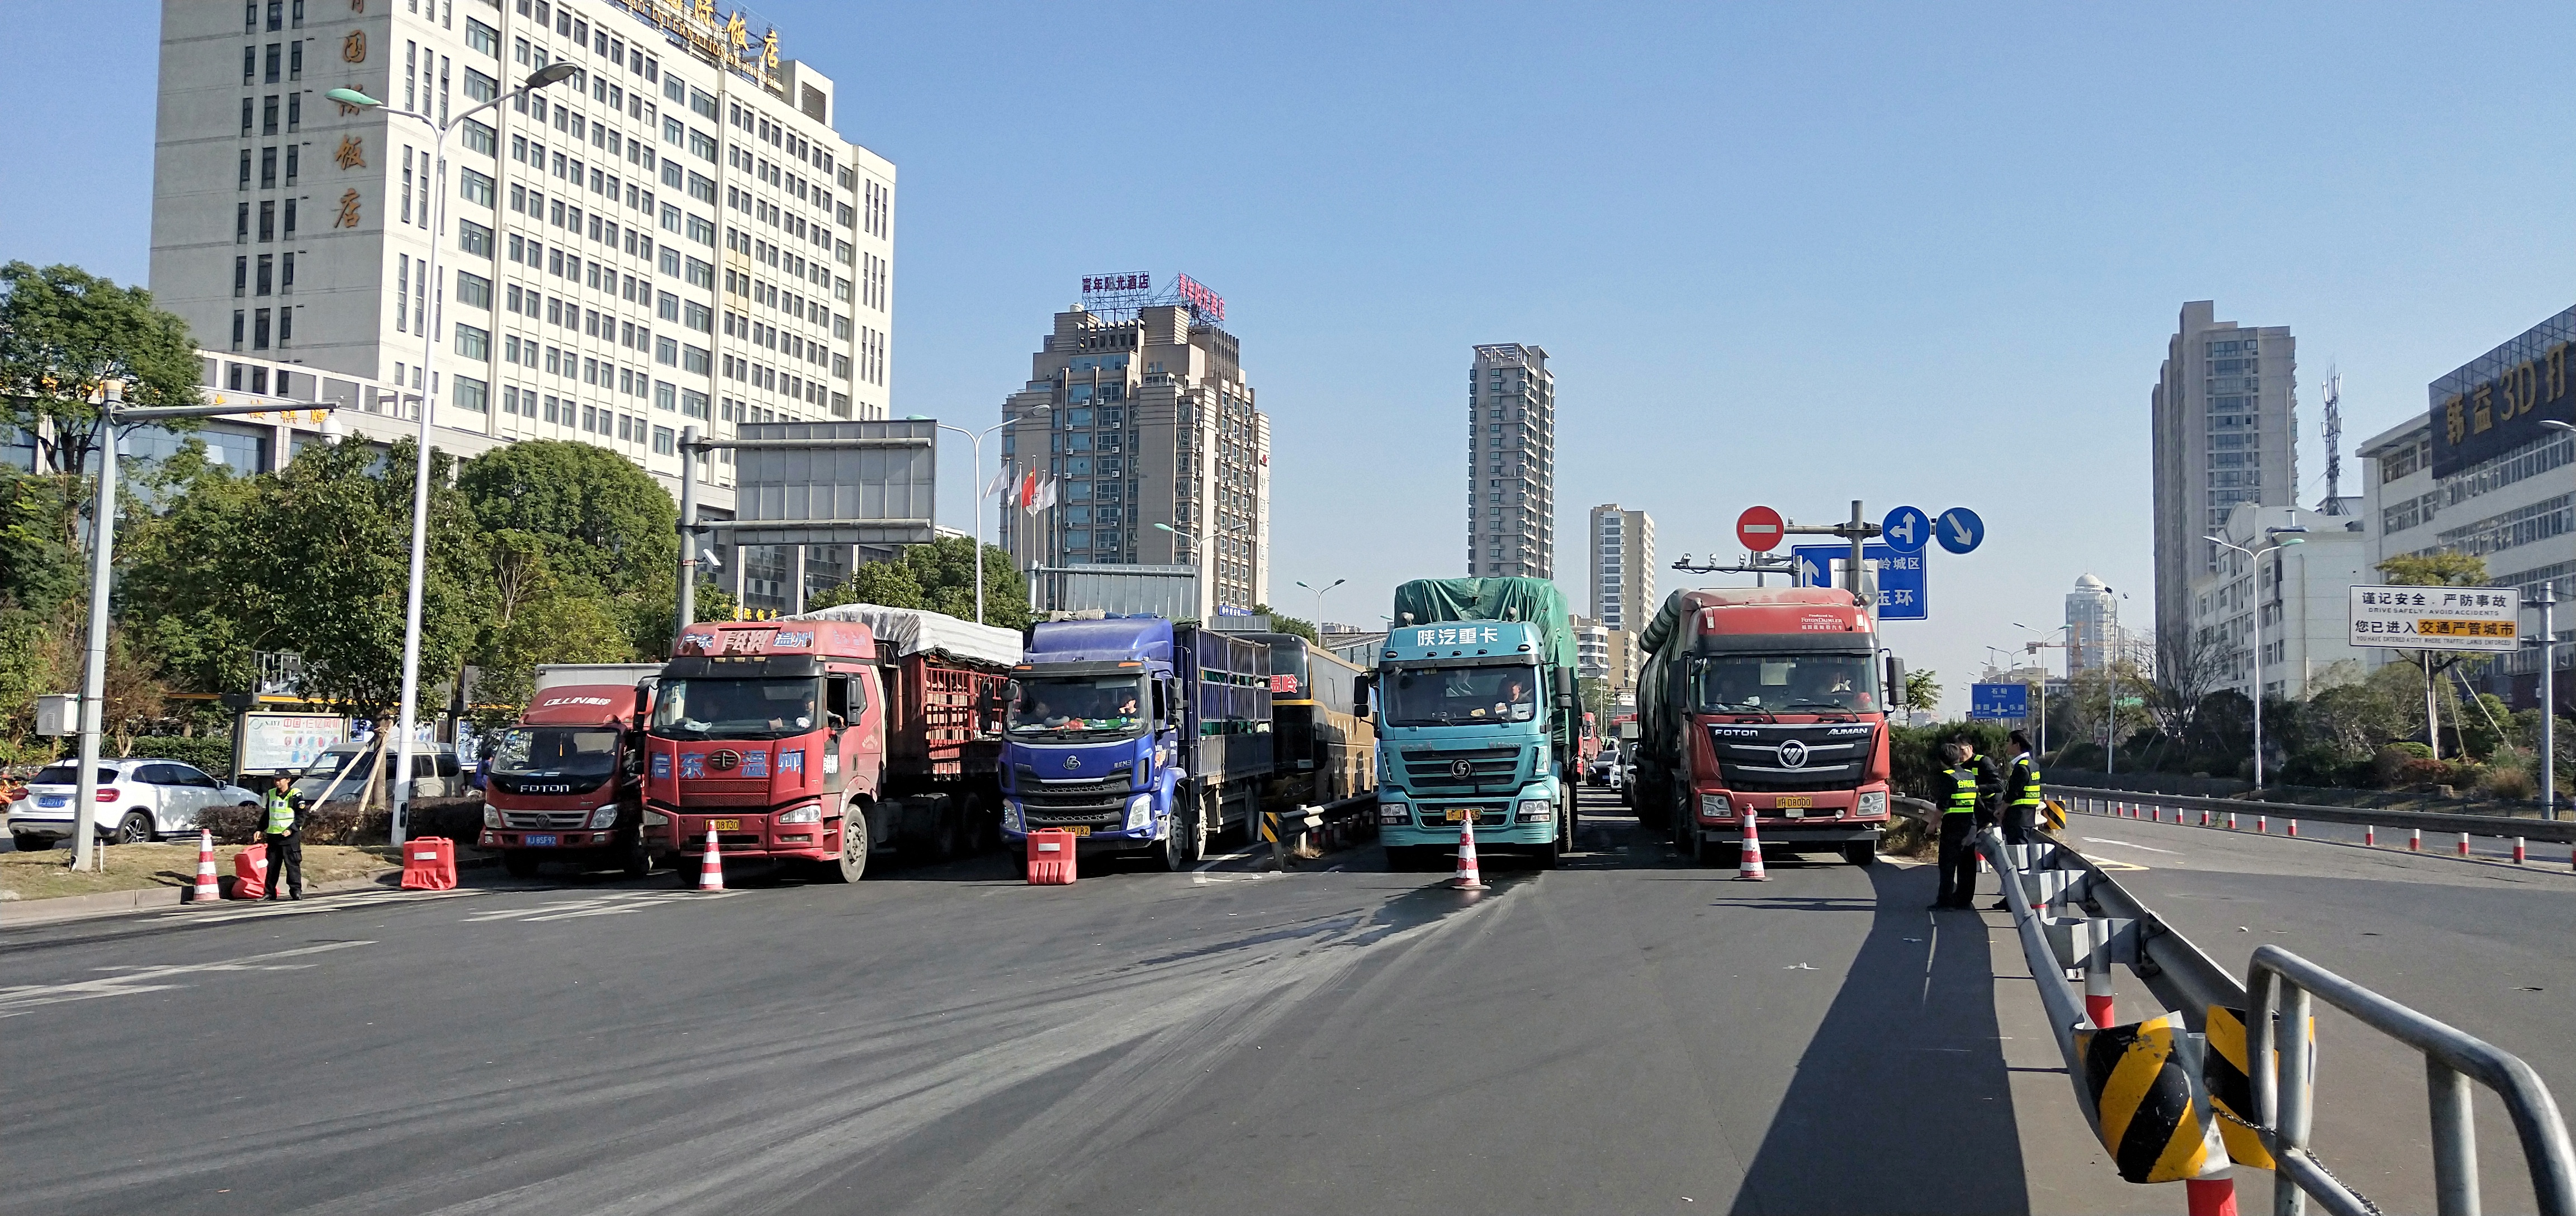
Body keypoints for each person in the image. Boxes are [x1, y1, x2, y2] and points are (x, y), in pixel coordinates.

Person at [1929, 737, 1999, 910]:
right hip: (1970, 825)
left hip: (1953, 826)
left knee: (1947, 864)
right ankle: (1965, 900)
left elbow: (1943, 805)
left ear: (1942, 761)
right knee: (1967, 864)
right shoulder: (1969, 775)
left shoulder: (1947, 777)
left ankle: (1944, 901)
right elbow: (1976, 800)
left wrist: (1932, 824)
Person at [1989, 729, 2043, 910]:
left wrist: (2001, 812)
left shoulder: (2021, 768)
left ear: (2017, 745)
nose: (2007, 746)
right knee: (2021, 859)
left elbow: (2013, 794)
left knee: (2017, 861)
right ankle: (2015, 897)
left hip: (2017, 818)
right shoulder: (2033, 765)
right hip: (2028, 817)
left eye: (2009, 742)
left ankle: (2017, 899)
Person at [262, 774, 310, 901]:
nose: (277, 782)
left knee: (292, 865)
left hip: (290, 837)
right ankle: (269, 893)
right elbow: (268, 813)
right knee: (272, 866)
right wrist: (259, 829)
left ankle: (296, 891)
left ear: (288, 780)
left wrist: (292, 829)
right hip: (274, 836)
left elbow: (301, 815)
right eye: (275, 780)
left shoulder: (295, 794)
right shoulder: (272, 793)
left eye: (280, 780)